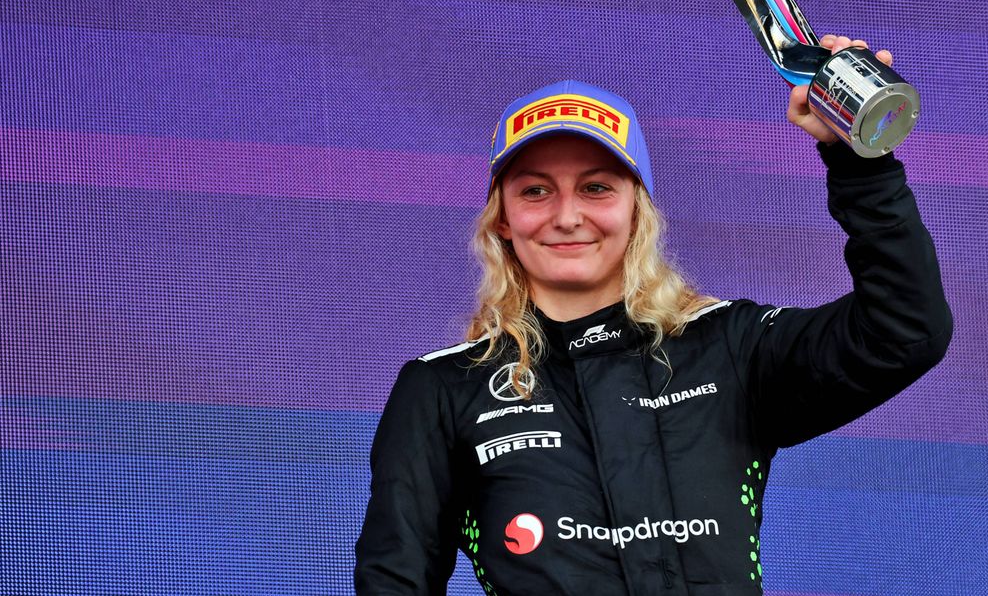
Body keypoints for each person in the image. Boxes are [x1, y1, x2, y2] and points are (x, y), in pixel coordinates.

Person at [355, 35, 953, 595]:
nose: (567, 216)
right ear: (503, 220)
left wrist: (859, 160)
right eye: (535, 191)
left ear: (637, 210)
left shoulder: (727, 347)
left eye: (596, 187)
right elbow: (395, 581)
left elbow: (904, 331)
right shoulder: (443, 389)